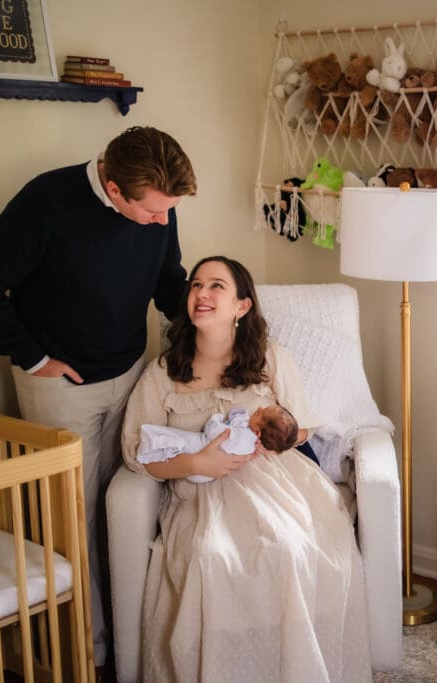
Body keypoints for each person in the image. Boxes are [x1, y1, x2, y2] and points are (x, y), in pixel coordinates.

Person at [0, 126, 196, 670]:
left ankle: (136, 640)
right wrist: (33, 358)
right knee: (73, 523)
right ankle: (90, 656)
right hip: (60, 388)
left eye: (169, 212)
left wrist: (214, 317)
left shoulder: (159, 204)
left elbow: (167, 282)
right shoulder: (46, 202)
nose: (163, 221)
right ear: (114, 190)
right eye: (154, 213)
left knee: (129, 506)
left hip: (131, 373)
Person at [121, 256, 371, 682]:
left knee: (288, 549)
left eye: (217, 285)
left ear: (242, 306)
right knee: (209, 557)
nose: (202, 293)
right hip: (200, 492)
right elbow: (134, 451)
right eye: (196, 285)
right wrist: (198, 462)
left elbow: (302, 426)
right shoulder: (163, 372)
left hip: (275, 481)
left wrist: (264, 434)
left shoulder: (271, 358)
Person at [137, 404, 299, 482]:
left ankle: (150, 446)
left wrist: (217, 418)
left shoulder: (243, 438)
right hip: (201, 467)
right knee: (178, 442)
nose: (258, 407)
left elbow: (214, 432)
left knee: (178, 441)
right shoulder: (248, 441)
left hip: (202, 451)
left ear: (257, 433)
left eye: (260, 413)